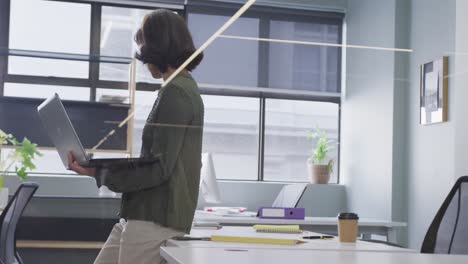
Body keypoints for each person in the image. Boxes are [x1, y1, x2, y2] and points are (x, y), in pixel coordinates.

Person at [68, 9, 204, 264]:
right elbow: (154, 162)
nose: (143, 59)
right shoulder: (177, 89)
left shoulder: (177, 93)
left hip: (154, 219)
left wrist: (98, 173)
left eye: (144, 47)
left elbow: (158, 169)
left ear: (158, 48)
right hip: (140, 213)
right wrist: (97, 168)